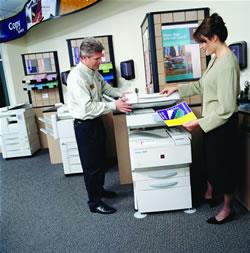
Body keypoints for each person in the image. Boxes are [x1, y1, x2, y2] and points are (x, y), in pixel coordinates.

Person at [160, 13, 240, 224]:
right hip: (212, 123)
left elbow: (227, 108)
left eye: (203, 43)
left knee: (224, 168)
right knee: (212, 164)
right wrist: (176, 88)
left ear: (214, 38)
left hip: (221, 124)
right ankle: (212, 193)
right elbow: (201, 85)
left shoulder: (228, 63)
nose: (202, 47)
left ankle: (228, 209)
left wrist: (197, 122)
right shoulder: (216, 59)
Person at [67, 37, 132, 215]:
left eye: (100, 57)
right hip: (85, 125)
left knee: (101, 161)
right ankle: (94, 203)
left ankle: (100, 191)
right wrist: (114, 105)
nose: (100, 62)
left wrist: (123, 93)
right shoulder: (77, 77)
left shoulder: (94, 71)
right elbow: (86, 108)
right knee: (91, 166)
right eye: (96, 59)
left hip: (96, 122)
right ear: (83, 58)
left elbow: (106, 89)